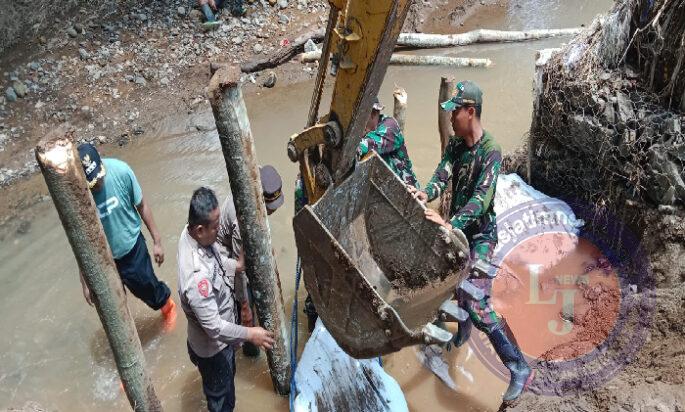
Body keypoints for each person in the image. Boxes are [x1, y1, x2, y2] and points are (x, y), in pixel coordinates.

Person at [409, 81, 533, 402]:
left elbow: (482, 197)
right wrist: (427, 192)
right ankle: (462, 336)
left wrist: (450, 223)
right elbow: (442, 174)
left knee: (476, 301)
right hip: (457, 231)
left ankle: (518, 365)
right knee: (458, 289)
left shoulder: (491, 150)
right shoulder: (455, 145)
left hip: (481, 236)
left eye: (455, 113)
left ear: (470, 112)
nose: (450, 118)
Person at [178, 187, 275, 412]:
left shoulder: (190, 232)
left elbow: (215, 264)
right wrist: (251, 333)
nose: (219, 230)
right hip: (214, 349)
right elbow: (214, 328)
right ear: (200, 229)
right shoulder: (196, 278)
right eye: (215, 227)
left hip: (215, 340)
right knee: (223, 402)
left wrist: (237, 265)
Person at [77, 143, 176, 331]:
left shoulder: (121, 171)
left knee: (147, 288)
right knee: (113, 303)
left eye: (99, 178)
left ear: (101, 164)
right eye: (92, 182)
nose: (97, 184)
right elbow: (81, 241)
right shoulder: (79, 194)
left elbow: (142, 206)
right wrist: (84, 281)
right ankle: (127, 333)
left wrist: (157, 241)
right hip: (103, 259)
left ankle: (168, 306)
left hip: (131, 248)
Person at [217, 165, 285, 357]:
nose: (272, 212)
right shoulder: (242, 222)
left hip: (243, 249)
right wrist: (245, 306)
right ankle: (249, 350)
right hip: (228, 254)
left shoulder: (258, 179)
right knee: (246, 315)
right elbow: (240, 269)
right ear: (259, 199)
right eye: (269, 208)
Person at [357, 97, 419, 188]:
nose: (358, 124)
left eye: (361, 118)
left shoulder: (390, 127)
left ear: (373, 113)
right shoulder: (365, 133)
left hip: (407, 193)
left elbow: (365, 147)